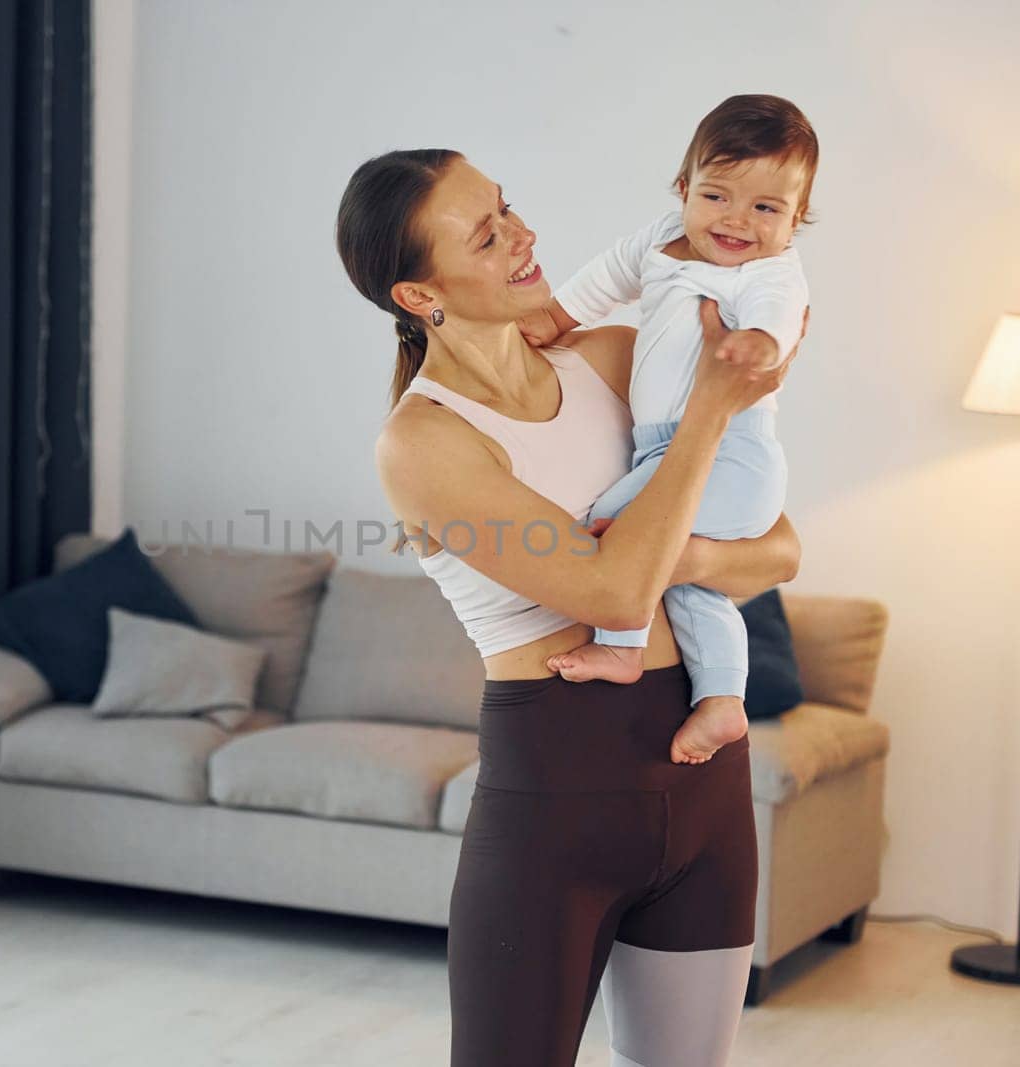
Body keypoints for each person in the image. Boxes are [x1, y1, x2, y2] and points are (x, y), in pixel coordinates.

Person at [335, 149, 803, 1066]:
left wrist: (692, 553)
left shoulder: (617, 359)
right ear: (420, 296)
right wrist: (707, 414)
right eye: (486, 234)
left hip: (706, 785)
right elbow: (615, 591)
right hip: (557, 796)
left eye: (508, 209)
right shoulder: (424, 441)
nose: (524, 236)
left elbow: (781, 549)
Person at [519, 94, 818, 767]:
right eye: (717, 196)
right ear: (684, 189)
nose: (738, 220)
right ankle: (722, 701)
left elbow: (780, 313)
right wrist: (558, 316)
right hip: (670, 448)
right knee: (686, 582)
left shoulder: (770, 273)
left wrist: (760, 348)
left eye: (767, 209)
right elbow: (608, 275)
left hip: (731, 454)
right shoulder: (658, 241)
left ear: (795, 220)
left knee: (616, 523)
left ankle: (622, 644)